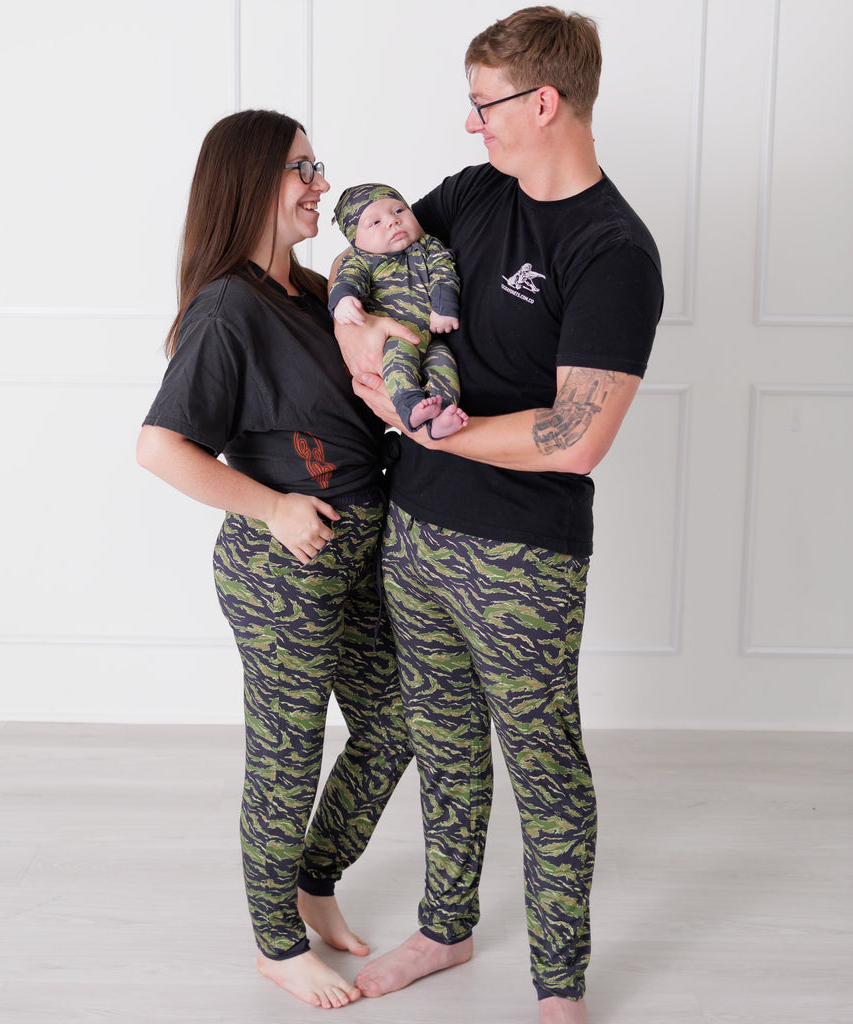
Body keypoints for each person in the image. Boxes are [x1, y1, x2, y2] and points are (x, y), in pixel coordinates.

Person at [333, 8, 664, 1023]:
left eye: (484, 105)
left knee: (543, 761)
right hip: (415, 530)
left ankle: (558, 988)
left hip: (522, 557)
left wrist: (427, 425)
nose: (471, 125)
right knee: (443, 741)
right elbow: (369, 261)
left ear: (544, 102)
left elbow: (574, 435)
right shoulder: (472, 195)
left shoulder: (613, 250)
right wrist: (362, 331)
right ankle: (444, 926)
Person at [136, 109, 415, 1011]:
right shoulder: (227, 308)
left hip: (359, 555)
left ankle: (313, 880)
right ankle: (274, 943)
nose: (321, 184)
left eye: (317, 165)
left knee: (396, 722)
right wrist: (272, 506)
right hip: (282, 568)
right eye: (302, 168)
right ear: (251, 180)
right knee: (287, 753)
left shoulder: (303, 290)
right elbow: (160, 447)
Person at [329, 183, 468, 439]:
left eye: (399, 211)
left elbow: (444, 271)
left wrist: (444, 307)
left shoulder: (429, 246)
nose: (393, 222)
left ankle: (443, 416)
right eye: (375, 222)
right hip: (395, 337)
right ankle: (410, 405)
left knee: (444, 364)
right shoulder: (361, 260)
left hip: (431, 339)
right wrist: (344, 301)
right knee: (398, 360)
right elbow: (348, 279)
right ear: (355, 240)